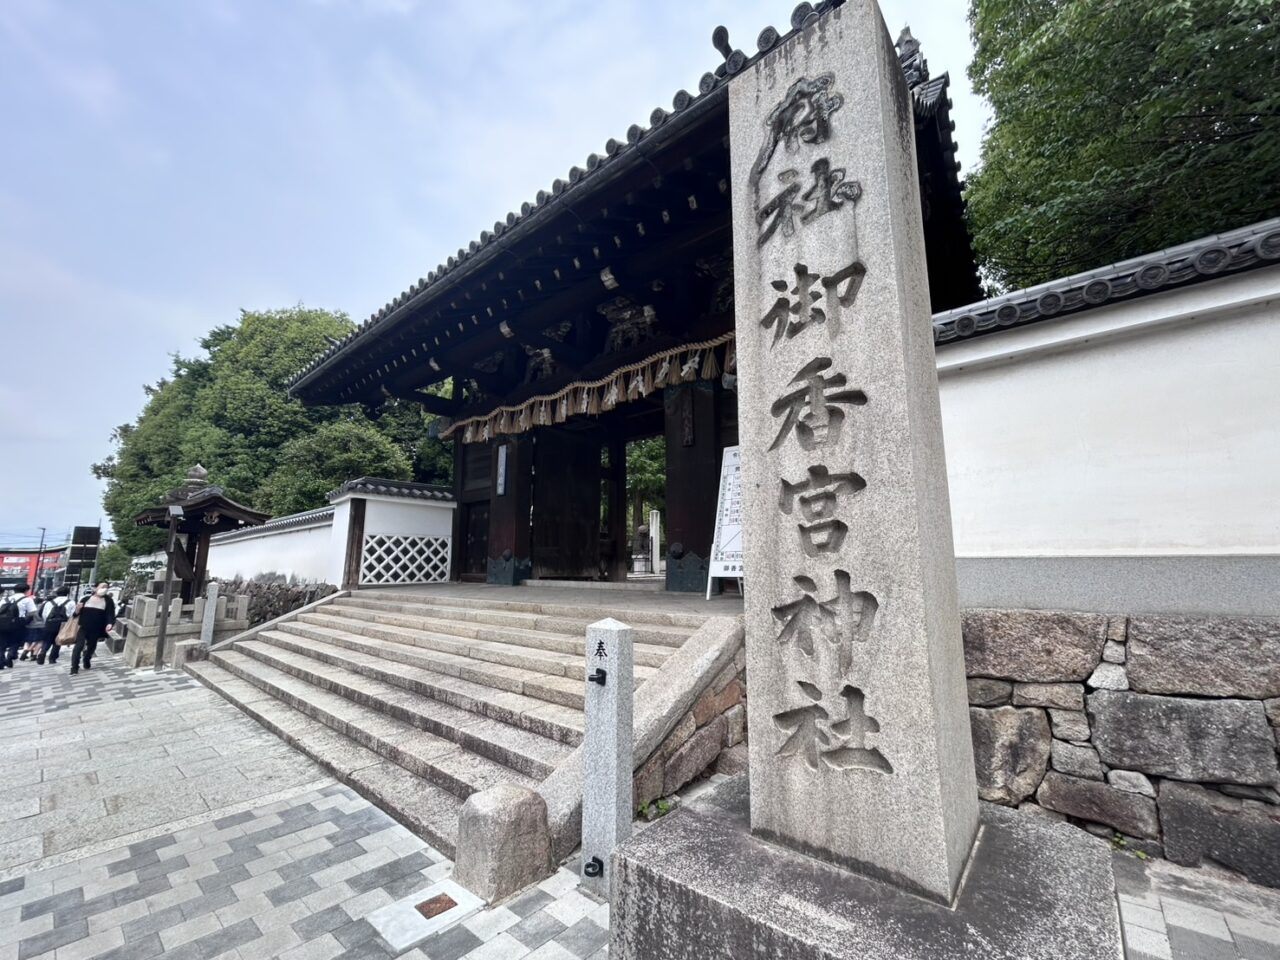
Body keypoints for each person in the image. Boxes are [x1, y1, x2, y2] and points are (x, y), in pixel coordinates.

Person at [71, 583, 115, 675]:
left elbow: (110, 614)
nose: (104, 589)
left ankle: (87, 659)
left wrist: (110, 623)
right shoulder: (85, 599)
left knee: (91, 646)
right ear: (95, 588)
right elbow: (75, 615)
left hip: (96, 628)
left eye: (106, 587)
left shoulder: (108, 600)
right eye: (102, 587)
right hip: (83, 627)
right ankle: (74, 667)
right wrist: (77, 609)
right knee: (78, 646)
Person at [0, 583, 38, 669]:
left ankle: (1, 662)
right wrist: (26, 621)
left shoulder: (5, 599)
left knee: (1, 643)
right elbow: (32, 612)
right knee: (16, 641)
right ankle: (11, 655)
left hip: (2, 623)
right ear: (26, 590)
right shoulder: (27, 599)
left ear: (14, 590)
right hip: (18, 622)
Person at [36, 587, 73, 665]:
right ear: (67, 593)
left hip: (49, 623)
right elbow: (72, 615)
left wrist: (47, 622)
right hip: (63, 624)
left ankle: (43, 652)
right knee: (58, 641)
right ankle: (52, 658)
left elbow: (44, 615)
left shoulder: (49, 602)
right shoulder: (71, 602)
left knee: (47, 640)